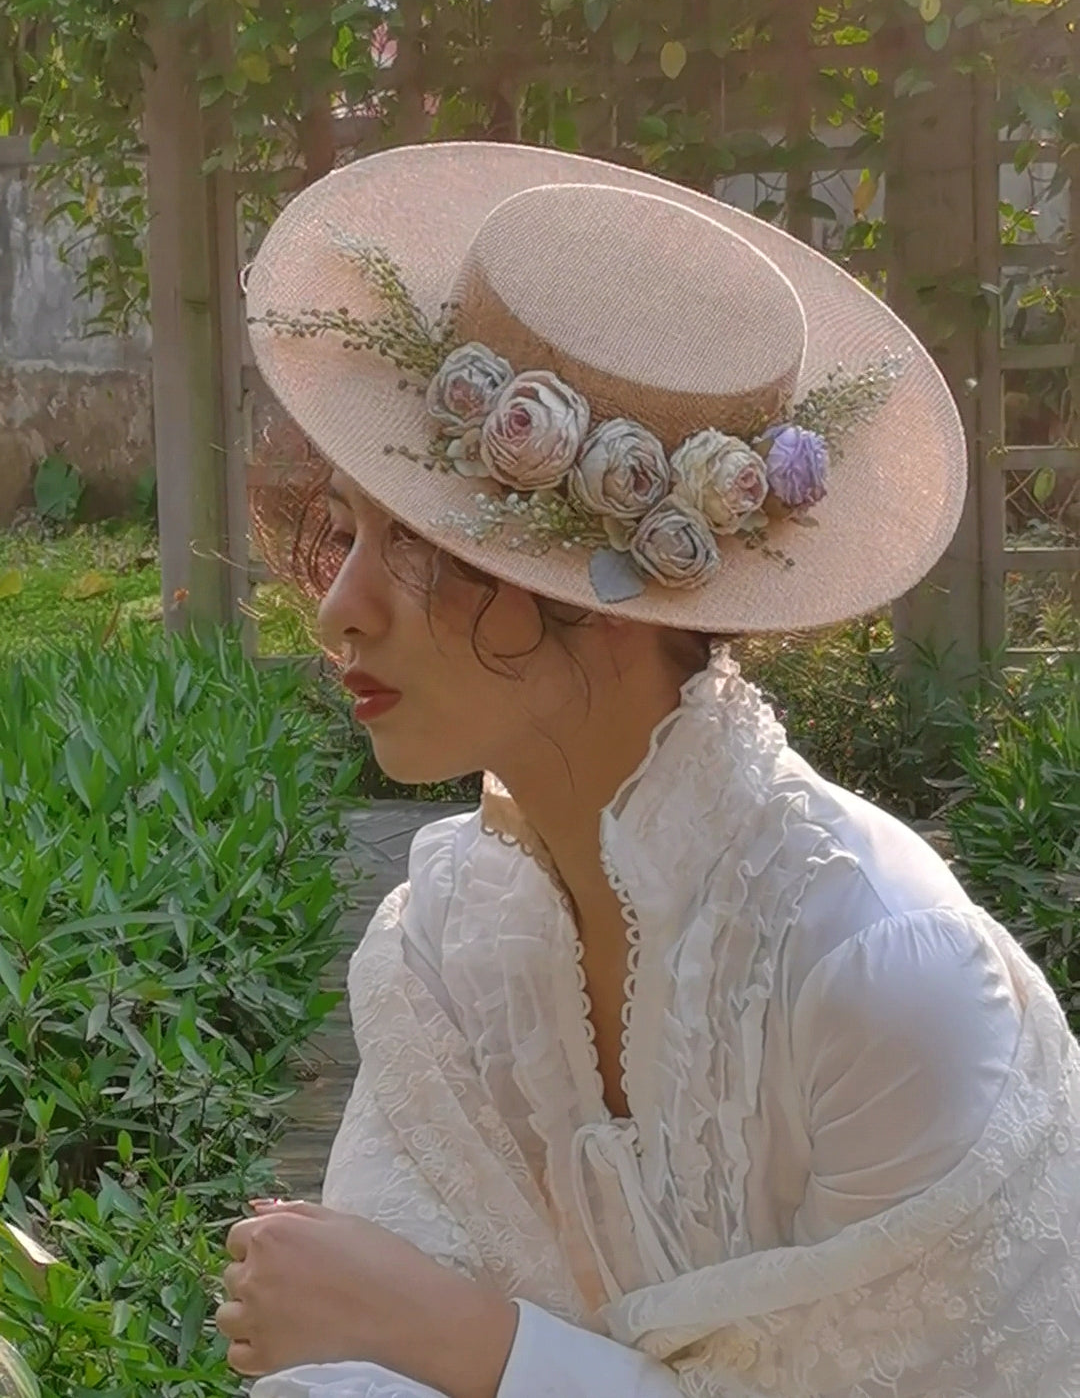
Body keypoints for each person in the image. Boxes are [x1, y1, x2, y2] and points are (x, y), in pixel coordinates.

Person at [214, 142, 1080, 1398]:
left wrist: (473, 1340)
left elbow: (390, 1325)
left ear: (611, 592)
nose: (339, 610)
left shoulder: (880, 973)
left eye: (419, 547)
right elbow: (344, 1360)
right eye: (346, 530)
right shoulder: (448, 941)